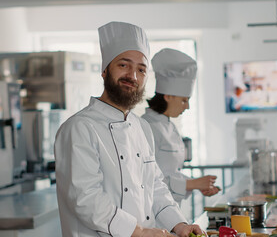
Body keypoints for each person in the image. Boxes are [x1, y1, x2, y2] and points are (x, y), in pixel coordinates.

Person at [54, 22, 205, 237]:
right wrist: (139, 232)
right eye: (124, 65)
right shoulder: (79, 128)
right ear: (104, 70)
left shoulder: (141, 127)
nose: (132, 76)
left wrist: (180, 225)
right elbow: (85, 198)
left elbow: (155, 186)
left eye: (141, 70)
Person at [141, 48, 220, 206]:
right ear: (168, 96)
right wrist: (193, 184)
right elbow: (147, 178)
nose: (188, 106)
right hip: (152, 209)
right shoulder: (146, 126)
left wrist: (198, 185)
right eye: (184, 100)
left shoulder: (169, 126)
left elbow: (171, 173)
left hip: (170, 206)